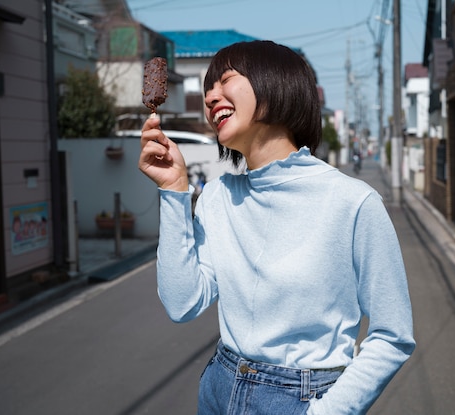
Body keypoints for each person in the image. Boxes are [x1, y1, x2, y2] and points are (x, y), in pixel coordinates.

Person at [138, 40, 415, 415]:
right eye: (207, 88)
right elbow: (182, 303)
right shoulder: (218, 197)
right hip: (221, 385)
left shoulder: (353, 202)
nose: (209, 96)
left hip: (305, 397)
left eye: (225, 80)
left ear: (277, 84)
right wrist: (173, 191)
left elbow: (392, 336)